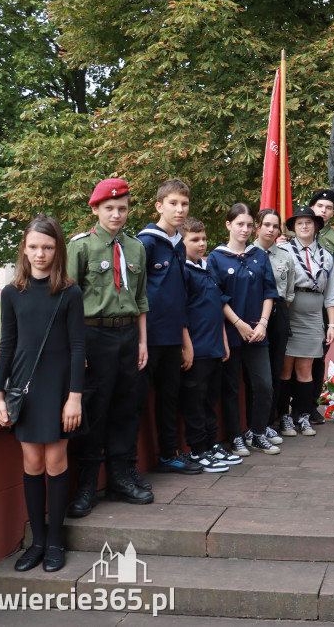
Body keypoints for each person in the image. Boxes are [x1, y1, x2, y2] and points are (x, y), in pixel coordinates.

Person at [0, 216, 85, 572]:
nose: (40, 253)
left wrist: (74, 396)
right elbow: (6, 345)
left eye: (47, 247)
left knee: (56, 462)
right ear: (24, 249)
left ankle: (56, 542)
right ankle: (38, 541)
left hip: (60, 388)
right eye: (33, 246)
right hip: (24, 390)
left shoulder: (69, 292)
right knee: (32, 464)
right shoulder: (11, 293)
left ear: (57, 249)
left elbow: (78, 347)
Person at [66, 178, 153, 518]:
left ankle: (120, 478)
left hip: (129, 336)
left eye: (122, 209)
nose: (116, 215)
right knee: (94, 410)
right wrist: (77, 348)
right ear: (96, 209)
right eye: (109, 209)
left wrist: (143, 341)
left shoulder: (136, 247)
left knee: (125, 408)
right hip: (93, 337)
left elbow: (141, 298)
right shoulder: (81, 247)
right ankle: (87, 486)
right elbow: (69, 303)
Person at [136, 178, 202, 476]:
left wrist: (185, 339)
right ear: (159, 206)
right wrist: (140, 338)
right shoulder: (146, 242)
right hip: (148, 339)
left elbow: (180, 296)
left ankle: (168, 455)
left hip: (173, 337)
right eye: (173, 203)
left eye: (184, 204)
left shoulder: (178, 244)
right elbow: (136, 294)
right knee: (135, 402)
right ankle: (128, 466)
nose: (179, 209)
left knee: (168, 398)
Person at [208, 202, 280, 456]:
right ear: (228, 225)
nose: (245, 229)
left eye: (249, 225)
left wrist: (263, 323)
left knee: (264, 386)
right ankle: (236, 436)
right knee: (231, 389)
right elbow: (217, 296)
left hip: (258, 332)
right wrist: (238, 324)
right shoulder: (216, 257)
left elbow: (269, 292)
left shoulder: (259, 255)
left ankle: (257, 432)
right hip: (230, 333)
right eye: (240, 224)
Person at [179, 217, 240, 472]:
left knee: (210, 400)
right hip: (197, 349)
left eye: (203, 239)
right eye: (194, 240)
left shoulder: (207, 268)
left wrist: (224, 341)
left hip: (215, 346)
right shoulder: (181, 271)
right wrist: (187, 345)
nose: (201, 244)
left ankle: (211, 443)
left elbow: (217, 307)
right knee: (196, 400)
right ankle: (198, 449)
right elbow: (180, 310)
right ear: (181, 242)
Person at [279, 206, 334, 435]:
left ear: (316, 226)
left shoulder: (327, 257)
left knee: (306, 369)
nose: (304, 226)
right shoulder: (283, 250)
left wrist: (331, 325)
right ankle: (284, 416)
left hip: (314, 318)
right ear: (293, 228)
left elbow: (331, 295)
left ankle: (302, 415)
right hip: (289, 314)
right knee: (286, 367)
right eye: (299, 223)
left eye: (309, 222)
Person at [251, 209, 296, 437]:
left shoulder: (286, 256)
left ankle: (269, 423)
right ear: (257, 226)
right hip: (252, 313)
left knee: (276, 367)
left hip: (278, 313)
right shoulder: (247, 253)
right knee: (258, 371)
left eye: (275, 226)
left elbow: (288, 294)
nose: (271, 229)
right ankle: (254, 424)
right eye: (266, 224)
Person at [307, 189, 334, 425]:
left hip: (321, 307)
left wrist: (324, 296)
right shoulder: (291, 232)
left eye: (329, 208)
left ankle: (310, 406)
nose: (323, 211)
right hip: (291, 306)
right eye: (320, 206)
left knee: (317, 357)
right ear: (312, 207)